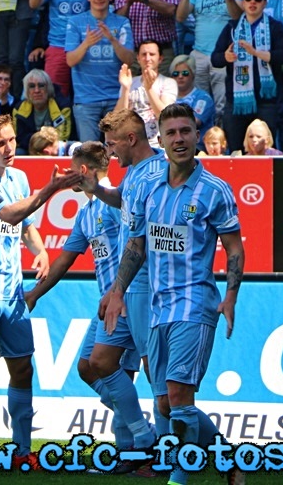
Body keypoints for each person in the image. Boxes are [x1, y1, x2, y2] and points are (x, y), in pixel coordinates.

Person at [96, 102, 246, 485]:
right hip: (157, 307)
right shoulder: (146, 186)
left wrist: (230, 294)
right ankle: (226, 459)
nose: (179, 139)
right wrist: (117, 292)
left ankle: (178, 480)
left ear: (197, 135)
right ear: (160, 140)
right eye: (172, 133)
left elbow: (233, 248)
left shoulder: (216, 191)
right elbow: (136, 245)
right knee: (165, 402)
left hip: (196, 305)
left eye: (186, 131)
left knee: (179, 395)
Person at [0, 113, 80, 466]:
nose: (9, 149)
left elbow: (23, 225)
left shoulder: (20, 177)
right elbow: (9, 214)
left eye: (11, 140)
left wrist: (39, 250)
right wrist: (51, 189)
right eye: (0, 144)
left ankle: (22, 451)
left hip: (12, 293)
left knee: (23, 369)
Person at [25, 141, 140, 453]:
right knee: (87, 367)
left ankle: (136, 447)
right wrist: (34, 294)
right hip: (107, 303)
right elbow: (65, 259)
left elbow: (137, 246)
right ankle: (139, 430)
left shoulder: (115, 203)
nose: (67, 177)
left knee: (113, 370)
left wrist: (123, 291)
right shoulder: (87, 213)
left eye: (71, 171)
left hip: (127, 301)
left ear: (85, 171)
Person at [74, 108, 168, 442]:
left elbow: (139, 240)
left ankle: (165, 452)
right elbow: (122, 202)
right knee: (98, 361)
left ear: (132, 139)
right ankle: (144, 437)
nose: (110, 153)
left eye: (113, 145)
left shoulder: (159, 171)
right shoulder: (133, 174)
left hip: (147, 286)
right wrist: (96, 188)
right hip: (127, 286)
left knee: (153, 371)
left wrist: (117, 288)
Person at [211, 0, 283, 155]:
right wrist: (226, 57)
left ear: (265, 2)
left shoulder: (275, 27)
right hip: (236, 101)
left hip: (266, 100)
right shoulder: (232, 28)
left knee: (266, 151)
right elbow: (215, 58)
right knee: (235, 150)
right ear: (244, 1)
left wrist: (256, 52)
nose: (253, 2)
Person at [65, 0, 135, 142]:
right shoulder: (75, 22)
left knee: (117, 150)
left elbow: (129, 59)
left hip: (115, 98)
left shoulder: (122, 22)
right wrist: (87, 43)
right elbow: (70, 60)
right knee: (90, 153)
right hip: (86, 100)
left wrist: (112, 39)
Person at [175, 0, 243, 122]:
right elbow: (180, 17)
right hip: (199, 54)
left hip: (223, 54)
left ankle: (220, 144)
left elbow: (237, 16)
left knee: (222, 105)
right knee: (197, 105)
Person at [28, 0, 89, 98]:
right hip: (57, 46)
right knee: (54, 96)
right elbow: (33, 3)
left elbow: (100, 5)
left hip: (85, 47)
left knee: (85, 96)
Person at [115, 41, 178, 146]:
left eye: (152, 54)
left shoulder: (169, 83)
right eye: (144, 54)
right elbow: (117, 119)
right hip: (131, 144)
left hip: (157, 144)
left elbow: (164, 116)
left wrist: (149, 89)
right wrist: (126, 88)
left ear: (160, 58)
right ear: (138, 58)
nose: (147, 58)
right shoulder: (129, 81)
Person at [12, 68, 71, 154]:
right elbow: (19, 138)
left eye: (41, 85)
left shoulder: (62, 108)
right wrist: (37, 143)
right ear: (27, 91)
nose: (37, 90)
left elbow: (63, 137)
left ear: (48, 88)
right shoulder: (18, 109)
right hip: (29, 147)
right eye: (32, 86)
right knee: (18, 152)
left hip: (54, 148)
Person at [170, 55, 215, 148]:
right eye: (176, 74)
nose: (180, 76)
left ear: (193, 75)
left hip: (197, 148)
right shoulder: (167, 96)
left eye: (185, 73)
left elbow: (192, 122)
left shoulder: (203, 98)